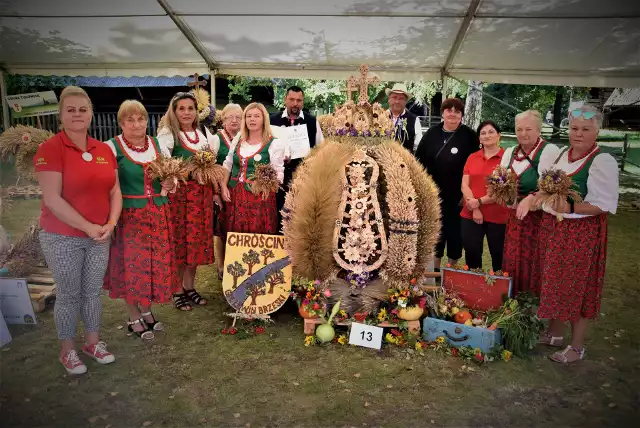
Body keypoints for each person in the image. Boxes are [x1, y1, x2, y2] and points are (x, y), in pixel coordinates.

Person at [34, 86, 121, 374]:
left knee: (92, 292)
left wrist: (110, 224)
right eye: (70, 109)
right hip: (62, 237)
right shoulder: (50, 149)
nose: (77, 114)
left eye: (82, 109)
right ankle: (67, 350)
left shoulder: (103, 149)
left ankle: (92, 342)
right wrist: (88, 227)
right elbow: (52, 199)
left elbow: (114, 191)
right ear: (60, 115)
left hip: (99, 236)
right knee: (70, 294)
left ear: (91, 114)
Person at [536, 106, 619, 363]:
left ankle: (576, 347)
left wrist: (571, 207)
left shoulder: (602, 160)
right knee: (555, 280)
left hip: (581, 232)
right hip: (556, 228)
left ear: (597, 132)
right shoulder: (563, 153)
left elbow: (605, 205)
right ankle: (555, 333)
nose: (578, 134)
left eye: (585, 129)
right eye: (574, 128)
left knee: (578, 286)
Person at [103, 100, 178, 340]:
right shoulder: (112, 148)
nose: (136, 124)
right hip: (129, 216)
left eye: (140, 119)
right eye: (130, 120)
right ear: (121, 123)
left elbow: (172, 180)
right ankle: (132, 314)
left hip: (157, 213)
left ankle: (146, 309)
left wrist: (170, 184)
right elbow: (105, 187)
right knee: (132, 265)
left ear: (147, 121)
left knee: (152, 265)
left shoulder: (158, 145)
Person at [157, 92, 216, 311]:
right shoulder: (168, 133)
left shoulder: (203, 132)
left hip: (201, 197)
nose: (186, 113)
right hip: (180, 198)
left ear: (196, 111)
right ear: (174, 111)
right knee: (182, 244)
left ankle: (190, 286)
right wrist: (187, 173)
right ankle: (177, 289)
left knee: (196, 244)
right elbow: (164, 164)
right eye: (181, 108)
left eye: (190, 108)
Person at [415, 98, 480, 271]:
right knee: (436, 233)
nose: (452, 114)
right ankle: (435, 271)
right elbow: (418, 161)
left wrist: (467, 194)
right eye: (449, 110)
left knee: (455, 235)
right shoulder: (431, 133)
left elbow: (476, 166)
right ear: (442, 113)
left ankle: (451, 271)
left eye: (457, 111)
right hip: (434, 195)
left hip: (458, 197)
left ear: (462, 115)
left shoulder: (469, 136)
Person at [501, 110, 560, 296]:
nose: (523, 133)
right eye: (519, 129)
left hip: (539, 221)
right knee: (513, 261)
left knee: (533, 263)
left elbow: (553, 186)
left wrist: (531, 198)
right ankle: (513, 302)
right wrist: (501, 193)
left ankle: (533, 305)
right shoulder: (511, 152)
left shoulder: (549, 151)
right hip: (515, 218)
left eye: (528, 129)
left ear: (538, 130)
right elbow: (500, 181)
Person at [222, 103, 287, 235]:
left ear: (264, 119)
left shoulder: (274, 143)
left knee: (257, 235)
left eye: (257, 116)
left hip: (259, 198)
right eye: (249, 116)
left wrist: (267, 187)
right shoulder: (238, 140)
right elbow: (228, 164)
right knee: (234, 235)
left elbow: (278, 173)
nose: (252, 119)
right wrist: (223, 186)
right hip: (234, 195)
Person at [270, 86, 323, 231]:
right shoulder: (272, 120)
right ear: (285, 100)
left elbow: (320, 149)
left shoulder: (312, 122)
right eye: (292, 99)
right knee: (276, 215)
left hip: (302, 178)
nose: (295, 103)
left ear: (303, 102)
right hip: (276, 179)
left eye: (299, 100)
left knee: (298, 217)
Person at [460, 120, 509, 271]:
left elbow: (504, 189)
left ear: (498, 135)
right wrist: (475, 208)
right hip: (470, 213)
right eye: (483, 133)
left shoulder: (507, 158)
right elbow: (464, 185)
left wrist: (479, 202)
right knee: (472, 253)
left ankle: (499, 290)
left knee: (498, 255)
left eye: (491, 132)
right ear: (479, 138)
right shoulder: (472, 157)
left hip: (498, 215)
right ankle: (474, 288)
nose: (487, 135)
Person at [210, 103, 243, 279]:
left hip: (238, 192)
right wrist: (215, 192)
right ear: (223, 120)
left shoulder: (245, 138)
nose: (235, 120)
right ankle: (221, 266)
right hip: (220, 190)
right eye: (230, 117)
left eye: (238, 117)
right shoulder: (216, 139)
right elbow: (210, 167)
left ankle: (235, 262)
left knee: (234, 226)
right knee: (220, 228)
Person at [385, 83, 422, 152]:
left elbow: (418, 146)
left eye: (401, 98)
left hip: (405, 162)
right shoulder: (379, 117)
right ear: (389, 99)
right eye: (394, 97)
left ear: (406, 101)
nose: (397, 101)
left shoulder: (414, 120)